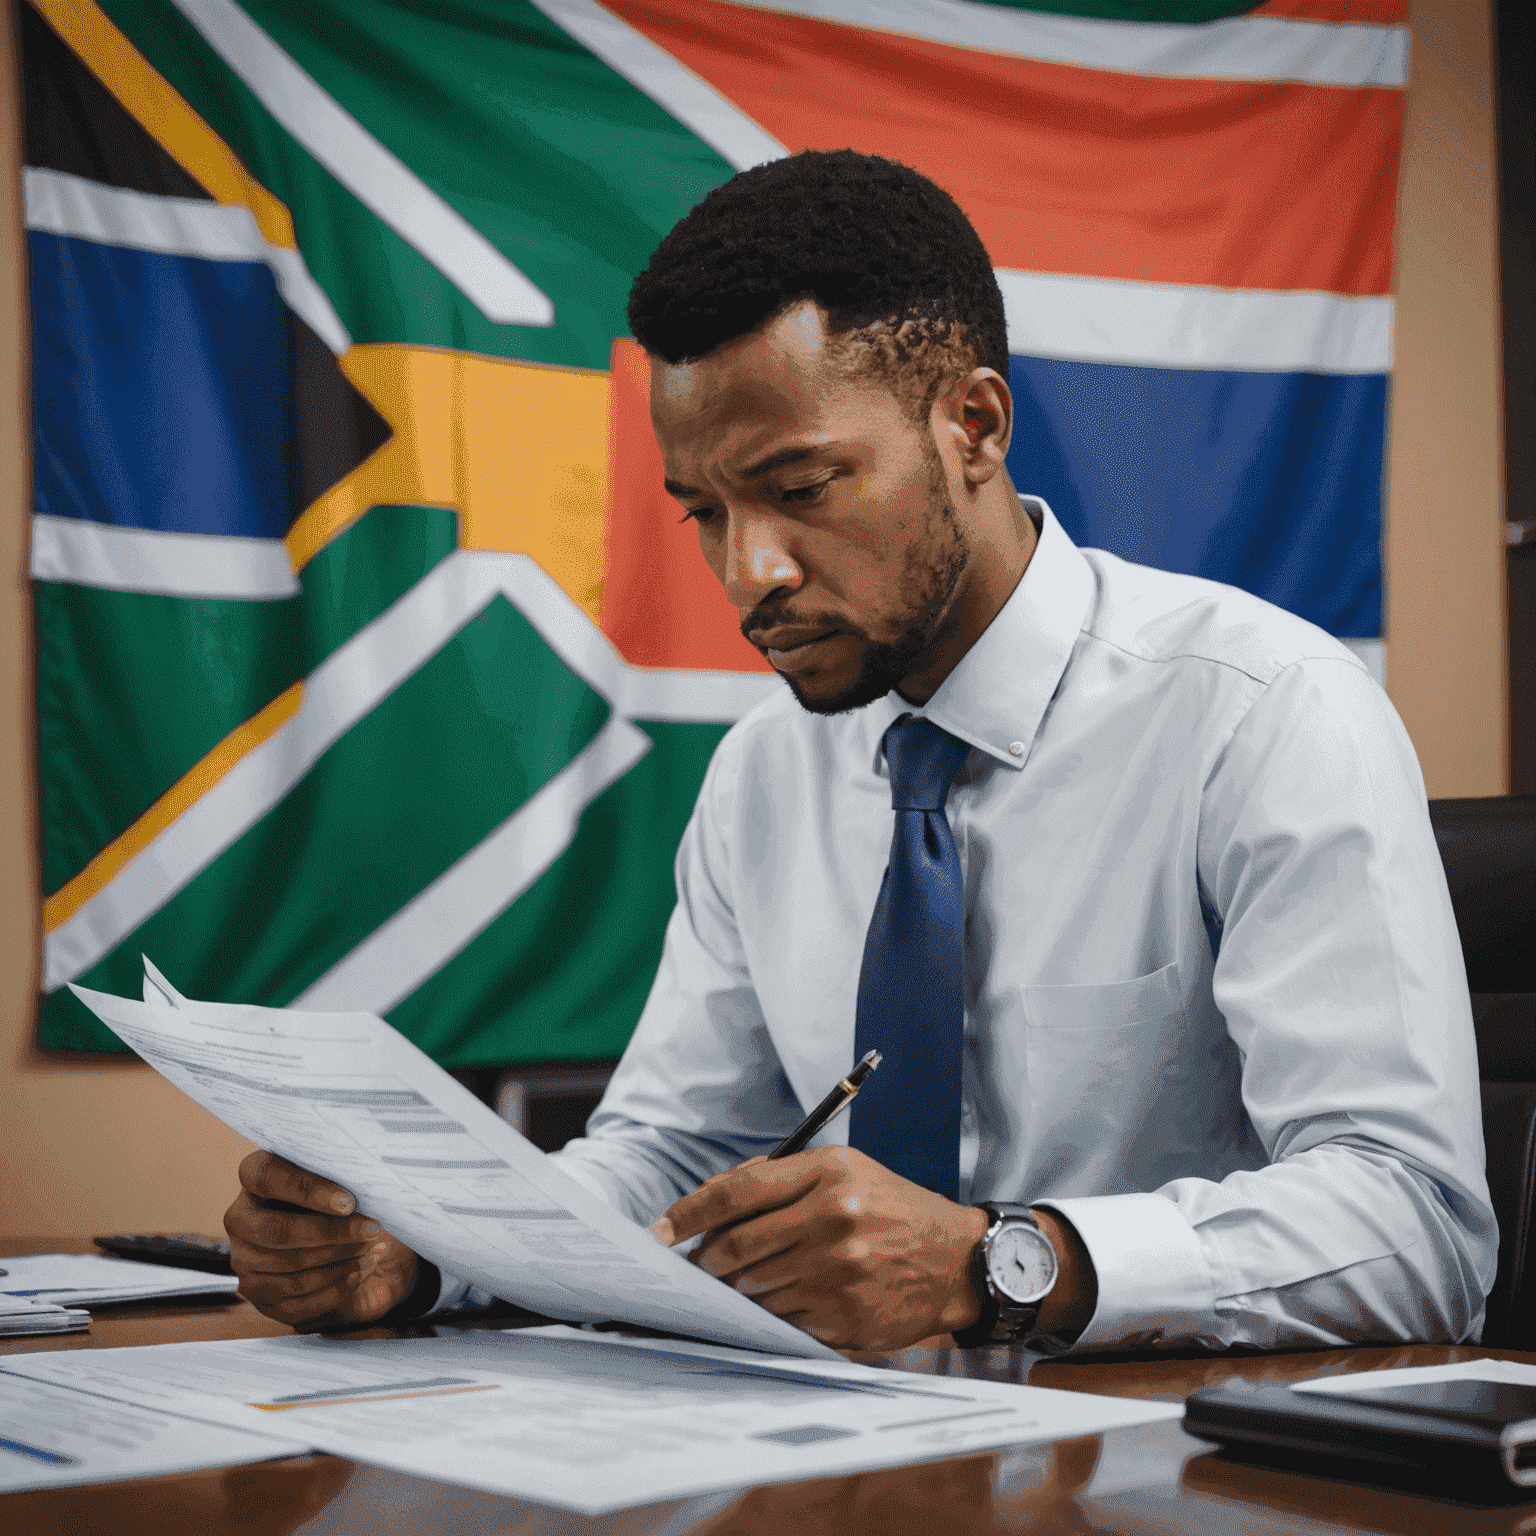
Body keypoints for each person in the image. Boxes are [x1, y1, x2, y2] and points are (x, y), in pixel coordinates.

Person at [225, 150, 1495, 1354]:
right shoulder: (762, 777)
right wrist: (430, 1251)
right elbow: (673, 1158)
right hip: (854, 1460)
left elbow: (1416, 1224)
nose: (749, 574)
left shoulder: (1263, 713)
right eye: (707, 513)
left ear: (976, 427)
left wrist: (997, 1263)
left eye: (802, 487)